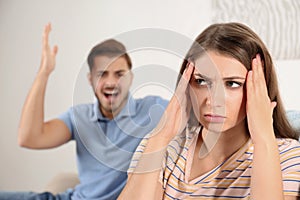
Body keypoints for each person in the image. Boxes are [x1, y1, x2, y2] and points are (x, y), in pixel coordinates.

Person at [118, 22, 300, 199]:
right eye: (202, 82)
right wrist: (160, 137)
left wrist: (263, 140)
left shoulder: (286, 156)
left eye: (232, 84)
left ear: (261, 89)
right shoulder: (161, 147)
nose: (213, 100)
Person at [0, 23, 167, 200]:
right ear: (90, 79)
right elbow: (29, 138)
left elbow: (195, 119)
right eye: (102, 74)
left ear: (131, 78)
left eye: (119, 74)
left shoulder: (153, 109)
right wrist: (44, 72)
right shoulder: (79, 117)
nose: (111, 82)